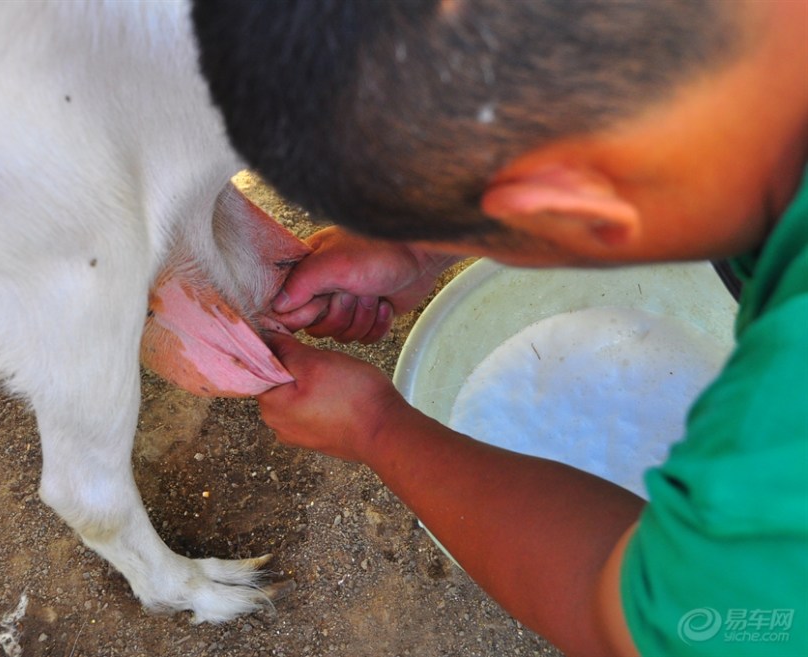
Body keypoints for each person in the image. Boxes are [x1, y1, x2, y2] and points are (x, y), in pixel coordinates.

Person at [191, 1, 808, 655]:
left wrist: (376, 427)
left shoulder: (778, 424)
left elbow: (635, 615)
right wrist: (429, 243)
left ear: (575, 208)